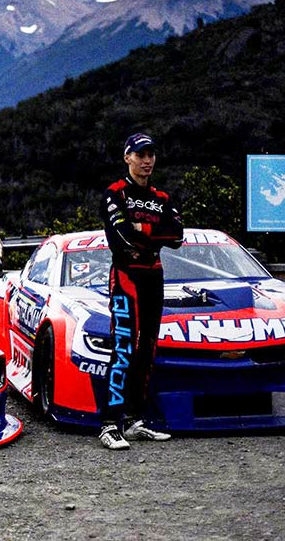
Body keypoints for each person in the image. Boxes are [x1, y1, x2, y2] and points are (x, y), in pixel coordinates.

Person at [98, 132, 184, 451]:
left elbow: (176, 236)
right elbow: (122, 237)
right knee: (123, 348)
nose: (147, 160)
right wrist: (149, 233)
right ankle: (109, 424)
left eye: (151, 155)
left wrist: (143, 230)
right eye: (140, 154)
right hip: (125, 277)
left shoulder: (162, 197)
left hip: (154, 277)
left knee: (147, 348)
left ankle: (134, 421)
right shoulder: (115, 192)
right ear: (128, 158)